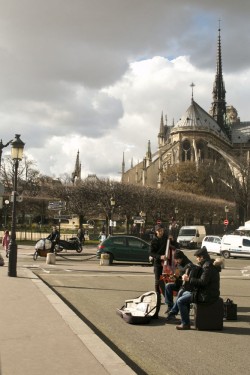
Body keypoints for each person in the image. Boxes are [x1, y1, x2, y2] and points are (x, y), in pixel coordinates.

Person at [175, 246, 221, 330]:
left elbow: (203, 282)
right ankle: (184, 319)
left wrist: (188, 279)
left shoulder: (207, 267)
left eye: (197, 258)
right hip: (205, 292)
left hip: (207, 295)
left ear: (201, 257)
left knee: (180, 301)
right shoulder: (207, 264)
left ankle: (185, 323)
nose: (196, 260)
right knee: (183, 292)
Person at [149, 224, 169, 317]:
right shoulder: (154, 241)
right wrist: (159, 256)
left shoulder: (166, 238)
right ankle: (158, 298)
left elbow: (175, 245)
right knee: (158, 281)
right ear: (156, 231)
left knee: (166, 281)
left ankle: (168, 301)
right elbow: (151, 252)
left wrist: (172, 239)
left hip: (167, 263)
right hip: (158, 263)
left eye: (162, 230)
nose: (161, 232)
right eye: (159, 231)